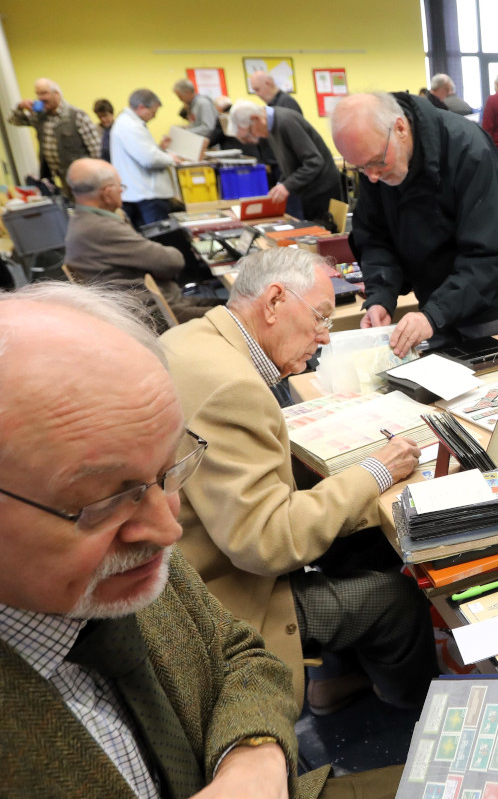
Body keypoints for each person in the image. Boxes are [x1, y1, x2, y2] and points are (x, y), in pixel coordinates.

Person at [0, 281, 403, 797]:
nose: (167, 530)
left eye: (171, 469)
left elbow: (238, 654)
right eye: (101, 501)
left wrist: (252, 758)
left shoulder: (121, 548)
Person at [160, 247, 436, 714]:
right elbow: (269, 541)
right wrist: (376, 471)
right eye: (321, 318)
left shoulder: (193, 337)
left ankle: (337, 676)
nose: (326, 336)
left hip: (186, 571)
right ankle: (415, 711)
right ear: (273, 302)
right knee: (401, 598)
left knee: (360, 538)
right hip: (223, 600)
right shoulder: (234, 387)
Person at [331, 91, 498, 357]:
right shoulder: (374, 157)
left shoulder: (468, 148)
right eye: (361, 168)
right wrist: (381, 297)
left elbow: (485, 254)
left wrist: (433, 315)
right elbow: (374, 237)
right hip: (432, 297)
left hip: (486, 302)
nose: (372, 177)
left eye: (375, 163)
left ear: (400, 128)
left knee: (486, 389)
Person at [64, 158, 219, 325]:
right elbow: (171, 262)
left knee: (227, 305)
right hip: (156, 314)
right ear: (107, 193)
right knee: (237, 313)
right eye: (120, 186)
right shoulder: (101, 228)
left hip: (147, 306)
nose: (122, 192)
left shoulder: (81, 222)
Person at [228, 101, 342, 229]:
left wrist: (286, 186)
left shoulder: (286, 122)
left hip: (322, 190)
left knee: (322, 236)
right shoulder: (270, 127)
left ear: (255, 118)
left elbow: (314, 161)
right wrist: (280, 185)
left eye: (250, 132)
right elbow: (290, 163)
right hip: (309, 191)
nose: (253, 138)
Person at [7, 78, 101, 196]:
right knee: (74, 206)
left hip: (83, 175)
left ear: (56, 94)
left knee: (90, 204)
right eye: (38, 94)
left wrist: (97, 175)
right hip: (61, 177)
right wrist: (20, 107)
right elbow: (14, 121)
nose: (40, 98)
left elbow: (96, 149)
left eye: (44, 93)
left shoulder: (76, 115)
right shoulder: (40, 117)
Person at [109, 88, 181, 229]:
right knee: (159, 238)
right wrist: (171, 158)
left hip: (138, 192)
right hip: (147, 195)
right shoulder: (131, 126)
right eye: (153, 112)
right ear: (141, 107)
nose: (154, 116)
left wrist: (160, 148)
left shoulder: (127, 123)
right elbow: (149, 159)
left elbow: (143, 153)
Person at [93, 97, 115, 162]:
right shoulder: (95, 130)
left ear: (112, 114)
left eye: (105, 115)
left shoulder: (120, 129)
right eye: (100, 117)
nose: (103, 119)